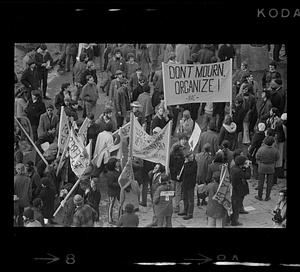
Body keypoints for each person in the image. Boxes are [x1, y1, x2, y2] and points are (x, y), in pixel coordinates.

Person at [255, 136, 280, 201]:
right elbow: (277, 158)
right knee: (269, 183)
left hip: (262, 166)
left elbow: (257, 157)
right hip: (271, 166)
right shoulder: (275, 150)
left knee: (261, 182)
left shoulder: (261, 149)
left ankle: (259, 196)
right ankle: (267, 196)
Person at [169, 134, 189, 213]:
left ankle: (175, 206)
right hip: (177, 174)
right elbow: (175, 164)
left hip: (177, 174)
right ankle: (174, 206)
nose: (184, 141)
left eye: (185, 139)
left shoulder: (185, 149)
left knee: (176, 191)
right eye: (183, 139)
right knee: (176, 191)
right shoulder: (178, 155)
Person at [230, 155, 249, 226]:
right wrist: (247, 168)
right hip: (238, 190)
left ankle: (233, 219)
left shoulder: (234, 168)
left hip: (235, 189)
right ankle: (234, 221)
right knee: (236, 206)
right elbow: (247, 176)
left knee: (235, 205)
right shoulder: (238, 171)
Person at [178, 151, 197, 220]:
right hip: (185, 183)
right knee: (185, 198)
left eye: (192, 156)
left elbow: (189, 172)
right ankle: (185, 210)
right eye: (190, 157)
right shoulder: (185, 163)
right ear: (187, 158)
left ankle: (190, 213)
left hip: (191, 183)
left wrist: (186, 164)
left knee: (190, 199)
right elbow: (183, 172)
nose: (192, 158)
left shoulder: (194, 163)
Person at [105, 158, 121, 224]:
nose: (118, 163)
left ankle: (119, 218)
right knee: (111, 205)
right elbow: (110, 184)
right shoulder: (110, 173)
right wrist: (119, 183)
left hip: (118, 191)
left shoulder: (118, 169)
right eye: (117, 162)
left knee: (120, 204)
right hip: (112, 192)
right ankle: (110, 219)